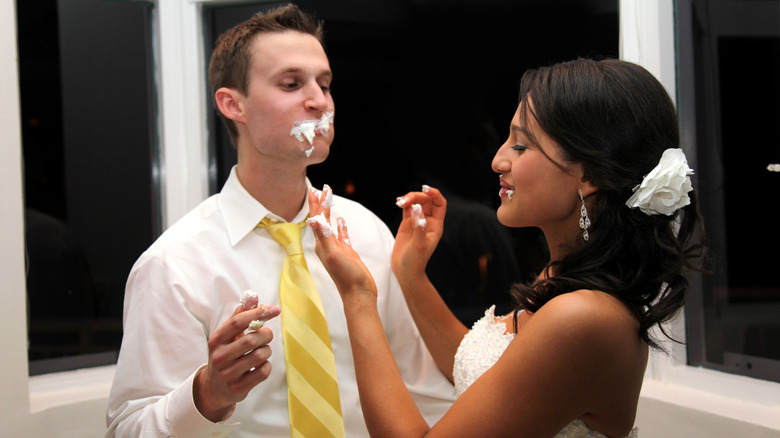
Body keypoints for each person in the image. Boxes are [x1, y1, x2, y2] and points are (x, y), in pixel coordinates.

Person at [307, 58, 709, 437]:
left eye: (521, 145)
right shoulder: (567, 281)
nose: (499, 159)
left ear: (590, 175)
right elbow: (488, 374)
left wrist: (358, 296)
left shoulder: (583, 316)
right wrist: (410, 274)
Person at [105, 5, 454, 437]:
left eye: (324, 84)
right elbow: (127, 429)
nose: (319, 100)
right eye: (292, 84)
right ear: (234, 104)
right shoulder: (173, 265)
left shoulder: (367, 233)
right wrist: (205, 394)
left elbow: (421, 388)